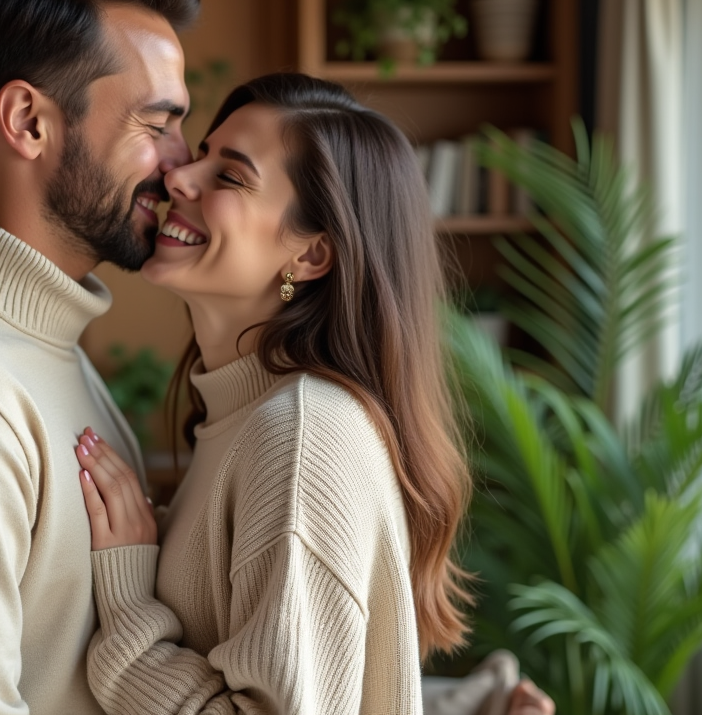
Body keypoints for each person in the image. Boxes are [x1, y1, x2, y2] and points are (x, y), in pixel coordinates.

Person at [0, 0, 554, 715]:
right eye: (156, 124)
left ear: (313, 253)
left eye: (199, 145)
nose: (177, 167)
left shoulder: (49, 354)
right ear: (28, 122)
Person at [72, 73, 553, 715]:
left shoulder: (300, 438)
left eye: (230, 176)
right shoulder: (250, 419)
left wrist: (130, 609)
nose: (179, 177)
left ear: (311, 255)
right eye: (202, 153)